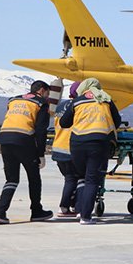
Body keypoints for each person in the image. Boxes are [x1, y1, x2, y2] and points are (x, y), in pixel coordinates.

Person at [60, 77, 122, 225]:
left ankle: (79, 209)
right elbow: (117, 121)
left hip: (78, 144)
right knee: (92, 180)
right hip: (99, 143)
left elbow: (64, 123)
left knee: (81, 177)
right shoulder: (106, 99)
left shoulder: (77, 101)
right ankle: (85, 216)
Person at [0, 80, 54, 224]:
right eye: (47, 93)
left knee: (11, 179)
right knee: (34, 177)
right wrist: (41, 154)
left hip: (5, 138)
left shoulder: (13, 100)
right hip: (24, 140)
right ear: (41, 90)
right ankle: (36, 211)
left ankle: (0, 213)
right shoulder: (41, 103)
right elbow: (40, 131)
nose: (48, 96)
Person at [51, 81, 80, 218]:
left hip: (58, 147)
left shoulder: (61, 105)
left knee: (69, 178)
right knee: (73, 179)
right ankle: (64, 207)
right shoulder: (79, 106)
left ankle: (71, 205)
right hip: (70, 148)